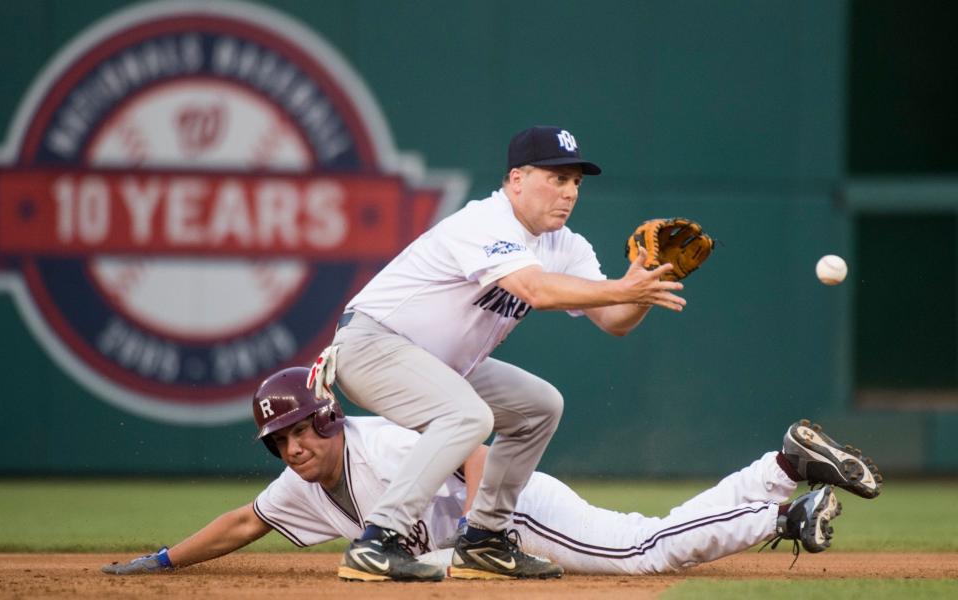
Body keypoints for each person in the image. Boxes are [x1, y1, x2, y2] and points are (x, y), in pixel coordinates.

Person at [102, 367, 883, 579]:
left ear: (329, 419)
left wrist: (488, 530)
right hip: (493, 520)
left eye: (302, 428)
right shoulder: (298, 485)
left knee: (643, 552)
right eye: (280, 439)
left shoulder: (378, 447)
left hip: (509, 512)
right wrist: (165, 560)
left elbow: (475, 449)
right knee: (645, 542)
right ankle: (783, 499)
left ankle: (782, 474)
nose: (294, 446)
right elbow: (245, 522)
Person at [326, 125, 688, 581]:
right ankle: (379, 540)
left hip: (438, 362)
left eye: (576, 181)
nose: (570, 191)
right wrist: (620, 287)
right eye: (557, 178)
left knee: (539, 406)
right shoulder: (485, 222)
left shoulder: (566, 245)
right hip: (371, 344)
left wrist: (647, 284)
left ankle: (484, 540)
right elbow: (533, 289)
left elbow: (613, 319)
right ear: (516, 179)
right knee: (468, 417)